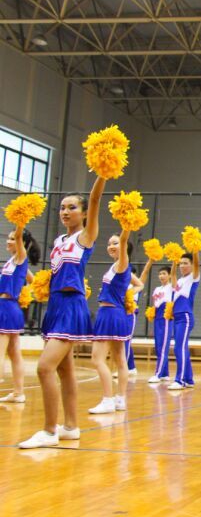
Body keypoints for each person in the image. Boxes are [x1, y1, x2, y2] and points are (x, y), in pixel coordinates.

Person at [19, 179, 106, 449]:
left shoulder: (85, 237)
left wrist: (102, 174)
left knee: (44, 367)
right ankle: (70, 427)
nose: (66, 212)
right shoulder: (59, 240)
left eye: (72, 208)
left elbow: (95, 199)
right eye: (62, 208)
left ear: (84, 213)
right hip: (55, 305)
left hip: (71, 306)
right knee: (64, 370)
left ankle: (49, 431)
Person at [88, 233, 139, 414]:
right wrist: (127, 294)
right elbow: (138, 284)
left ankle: (108, 400)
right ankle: (120, 400)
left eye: (115, 243)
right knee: (120, 360)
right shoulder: (116, 266)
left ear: (124, 246)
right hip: (116, 313)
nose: (111, 246)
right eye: (109, 243)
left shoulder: (122, 263)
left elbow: (124, 241)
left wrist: (126, 227)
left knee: (97, 359)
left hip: (109, 314)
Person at [0, 227, 40, 404]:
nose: (8, 241)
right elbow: (33, 281)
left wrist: (20, 219)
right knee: (14, 353)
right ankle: (18, 393)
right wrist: (25, 293)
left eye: (12, 238)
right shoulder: (14, 261)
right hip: (10, 307)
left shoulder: (20, 257)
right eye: (8, 238)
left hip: (7, 308)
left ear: (22, 243)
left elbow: (19, 236)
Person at [168, 251, 201, 391]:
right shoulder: (180, 281)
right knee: (182, 347)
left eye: (185, 263)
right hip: (177, 317)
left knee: (179, 347)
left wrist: (195, 249)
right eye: (180, 263)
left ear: (192, 265)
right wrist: (173, 261)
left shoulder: (193, 277)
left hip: (185, 316)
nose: (182, 266)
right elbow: (173, 276)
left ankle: (179, 380)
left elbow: (197, 263)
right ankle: (188, 379)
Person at [146, 266, 173, 384]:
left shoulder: (171, 287)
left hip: (165, 317)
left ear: (170, 275)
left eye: (164, 273)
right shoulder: (157, 289)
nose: (161, 276)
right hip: (157, 317)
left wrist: (174, 263)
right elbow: (154, 304)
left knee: (162, 346)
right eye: (160, 274)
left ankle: (158, 373)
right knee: (158, 346)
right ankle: (165, 374)